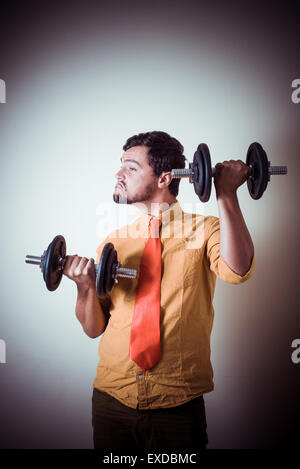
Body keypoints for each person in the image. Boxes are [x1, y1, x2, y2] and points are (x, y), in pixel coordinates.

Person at [63, 131, 255, 451]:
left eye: (131, 167)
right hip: (112, 399)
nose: (119, 174)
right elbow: (93, 328)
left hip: (176, 404)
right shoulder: (113, 241)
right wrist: (83, 287)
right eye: (120, 165)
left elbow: (238, 271)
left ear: (165, 177)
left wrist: (226, 195)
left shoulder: (206, 230)